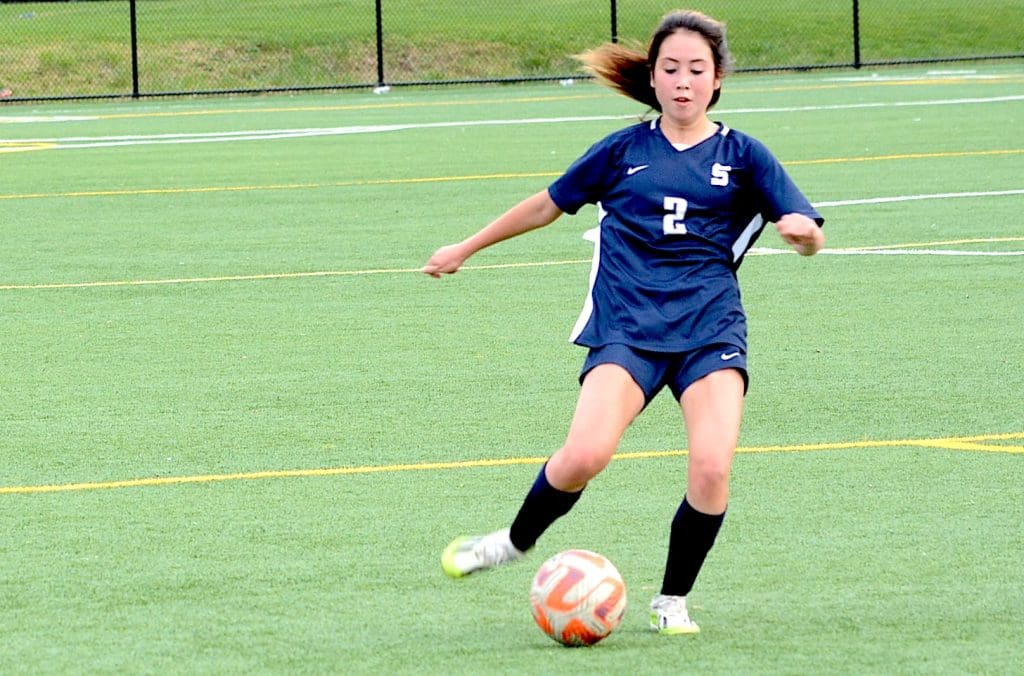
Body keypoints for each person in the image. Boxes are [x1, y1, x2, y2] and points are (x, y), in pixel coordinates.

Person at [422, 9, 824, 635]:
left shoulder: (744, 154)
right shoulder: (622, 150)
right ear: (654, 77)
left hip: (710, 330)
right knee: (584, 455)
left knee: (713, 467)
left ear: (717, 79)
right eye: (671, 69)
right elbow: (544, 204)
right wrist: (465, 247)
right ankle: (514, 540)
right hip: (628, 326)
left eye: (697, 69)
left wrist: (803, 237)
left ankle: (672, 601)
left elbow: (803, 225)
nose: (683, 81)